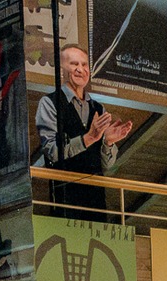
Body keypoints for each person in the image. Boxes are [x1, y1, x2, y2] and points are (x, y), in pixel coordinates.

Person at [36, 43, 134, 216]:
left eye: (84, 64)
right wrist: (89, 138)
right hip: (65, 203)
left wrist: (108, 143)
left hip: (97, 204)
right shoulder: (49, 103)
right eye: (74, 64)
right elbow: (51, 152)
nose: (80, 69)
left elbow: (106, 166)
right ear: (61, 70)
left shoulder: (98, 108)